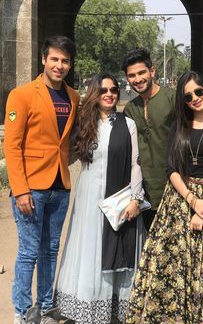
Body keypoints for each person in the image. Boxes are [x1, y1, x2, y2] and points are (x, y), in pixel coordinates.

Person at [125, 70, 203, 324]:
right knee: (171, 266)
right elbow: (171, 168)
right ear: (182, 101)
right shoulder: (178, 126)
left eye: (199, 91)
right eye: (188, 96)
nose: (195, 98)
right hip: (179, 200)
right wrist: (191, 200)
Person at [54, 73, 146, 324]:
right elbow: (64, 151)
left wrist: (136, 199)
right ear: (95, 92)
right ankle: (87, 305)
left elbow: (135, 164)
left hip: (117, 198)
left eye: (114, 90)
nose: (109, 94)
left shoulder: (127, 125)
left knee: (113, 247)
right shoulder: (84, 123)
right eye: (104, 89)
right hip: (88, 198)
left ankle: (113, 307)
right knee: (88, 249)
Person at [4, 36, 79, 324]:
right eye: (55, 59)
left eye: (65, 61)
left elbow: (68, 141)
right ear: (43, 60)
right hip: (31, 188)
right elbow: (12, 146)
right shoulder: (21, 95)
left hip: (60, 186)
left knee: (50, 250)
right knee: (28, 251)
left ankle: (46, 306)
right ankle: (22, 311)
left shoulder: (73, 97)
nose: (60, 65)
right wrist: (20, 190)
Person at [122, 48, 175, 230]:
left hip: (174, 189)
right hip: (144, 194)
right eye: (132, 75)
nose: (137, 79)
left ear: (152, 71)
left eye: (141, 72)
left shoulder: (172, 99)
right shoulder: (130, 108)